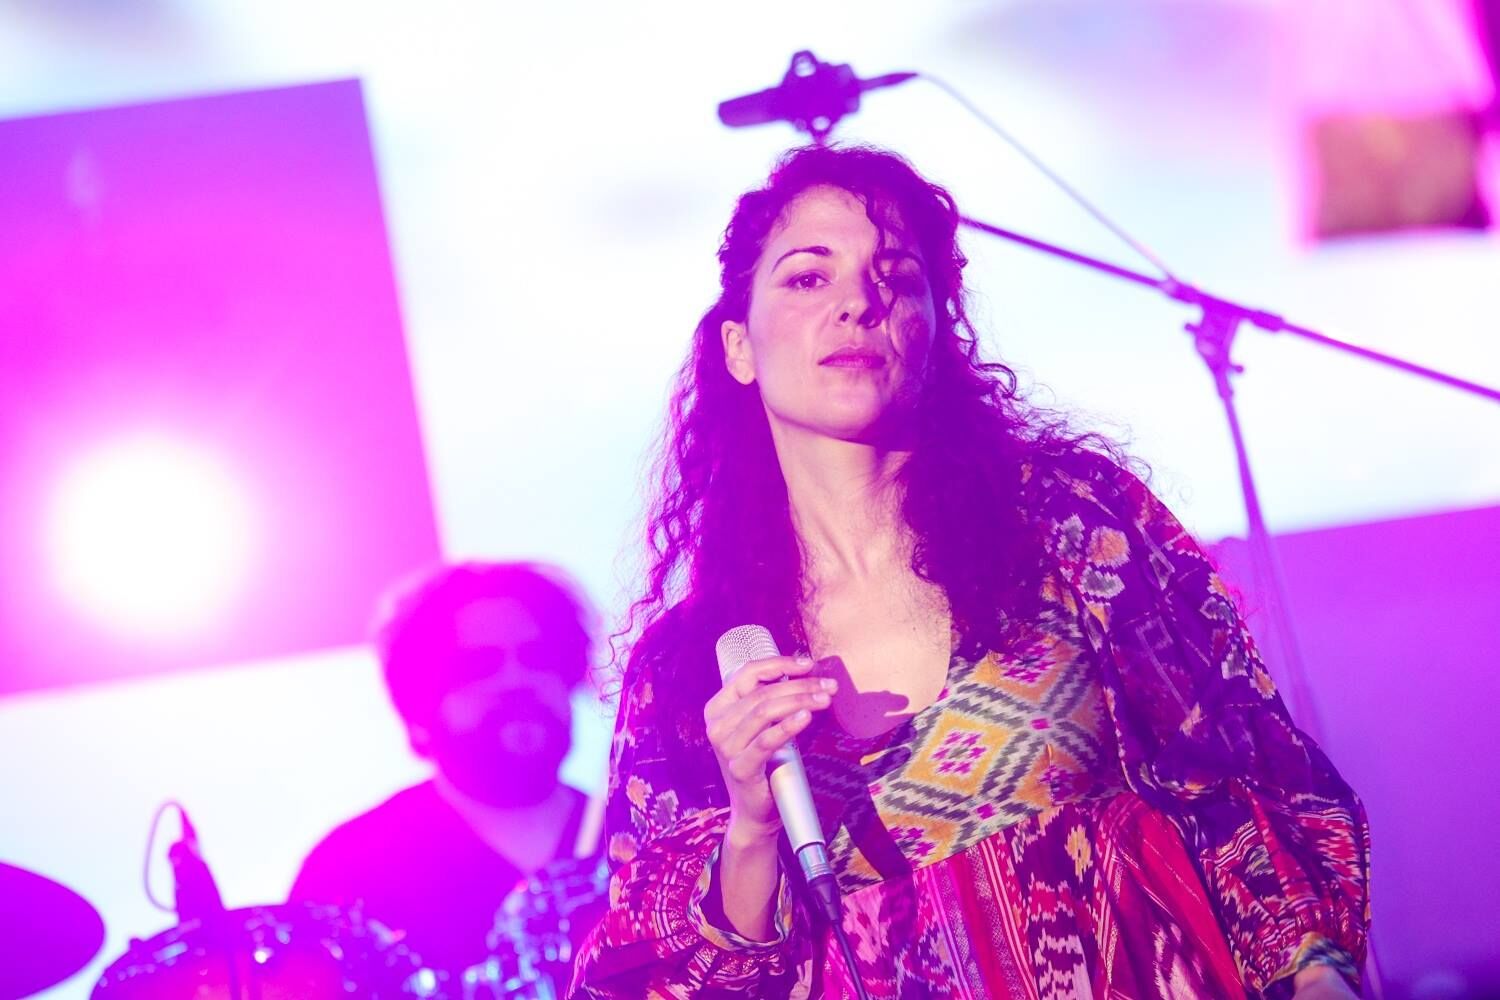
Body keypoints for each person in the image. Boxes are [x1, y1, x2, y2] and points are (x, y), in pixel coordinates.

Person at [568, 145, 1370, 999]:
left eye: (896, 277)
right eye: (808, 278)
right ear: (739, 346)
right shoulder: (686, 673)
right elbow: (658, 979)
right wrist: (752, 829)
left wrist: (1315, 971)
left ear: (933, 331)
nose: (858, 302)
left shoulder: (1068, 527)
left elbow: (1243, 780)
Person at [290, 561, 606, 988]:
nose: (517, 680)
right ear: (419, 707)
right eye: (478, 666)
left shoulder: (639, 838)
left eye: (538, 658)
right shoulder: (347, 870)